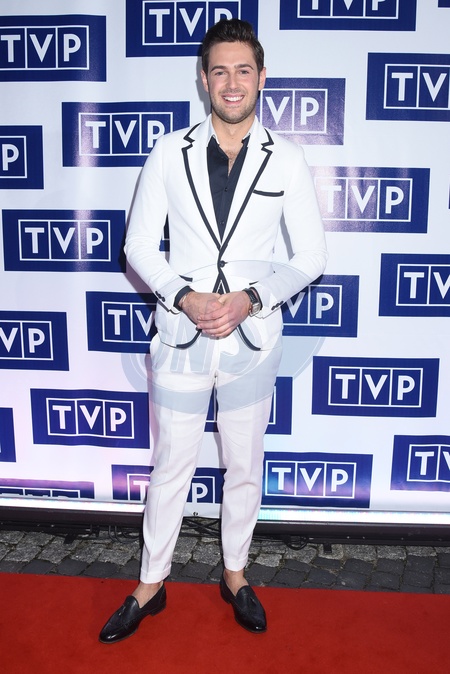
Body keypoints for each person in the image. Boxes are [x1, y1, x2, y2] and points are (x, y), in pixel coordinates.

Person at [99, 18, 327, 644]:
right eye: (219, 70)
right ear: (203, 79)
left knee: (244, 464)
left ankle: (235, 575)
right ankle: (151, 584)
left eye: (243, 70)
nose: (232, 82)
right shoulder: (167, 152)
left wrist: (253, 298)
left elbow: (311, 256)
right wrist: (184, 295)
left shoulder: (290, 157)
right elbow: (138, 246)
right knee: (170, 464)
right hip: (181, 336)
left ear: (261, 78)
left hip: (253, 343)